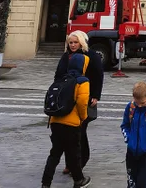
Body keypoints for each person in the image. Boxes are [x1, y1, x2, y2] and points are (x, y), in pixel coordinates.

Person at [54, 31, 104, 174]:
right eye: (71, 42)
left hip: (84, 98)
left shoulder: (91, 55)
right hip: (67, 99)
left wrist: (95, 96)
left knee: (79, 133)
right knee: (67, 133)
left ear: (81, 42)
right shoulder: (66, 57)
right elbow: (58, 75)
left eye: (76, 42)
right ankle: (70, 163)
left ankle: (79, 163)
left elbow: (98, 76)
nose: (73, 45)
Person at [42, 52, 91, 188]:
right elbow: (82, 102)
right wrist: (83, 117)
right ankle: (79, 180)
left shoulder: (61, 79)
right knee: (73, 153)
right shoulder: (82, 81)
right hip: (71, 123)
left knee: (55, 153)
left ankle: (45, 183)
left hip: (55, 121)